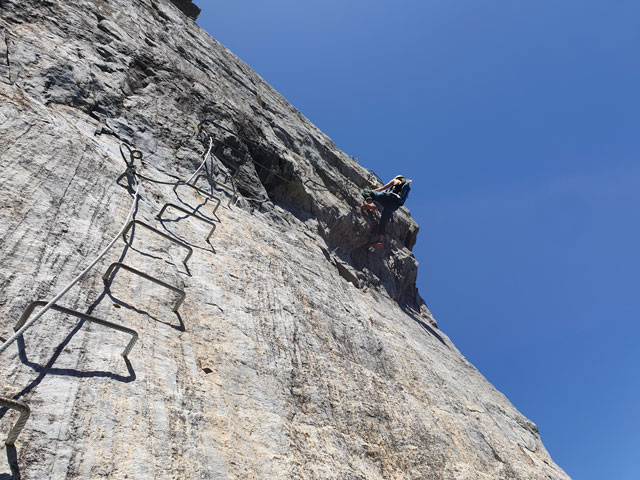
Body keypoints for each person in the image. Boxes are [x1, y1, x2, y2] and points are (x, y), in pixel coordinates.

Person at [361, 175, 412, 251]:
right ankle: (379, 241)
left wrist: (374, 191)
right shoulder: (406, 188)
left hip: (389, 197)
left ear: (397, 178)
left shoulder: (396, 181)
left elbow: (383, 188)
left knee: (366, 192)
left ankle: (370, 202)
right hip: (394, 206)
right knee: (383, 223)